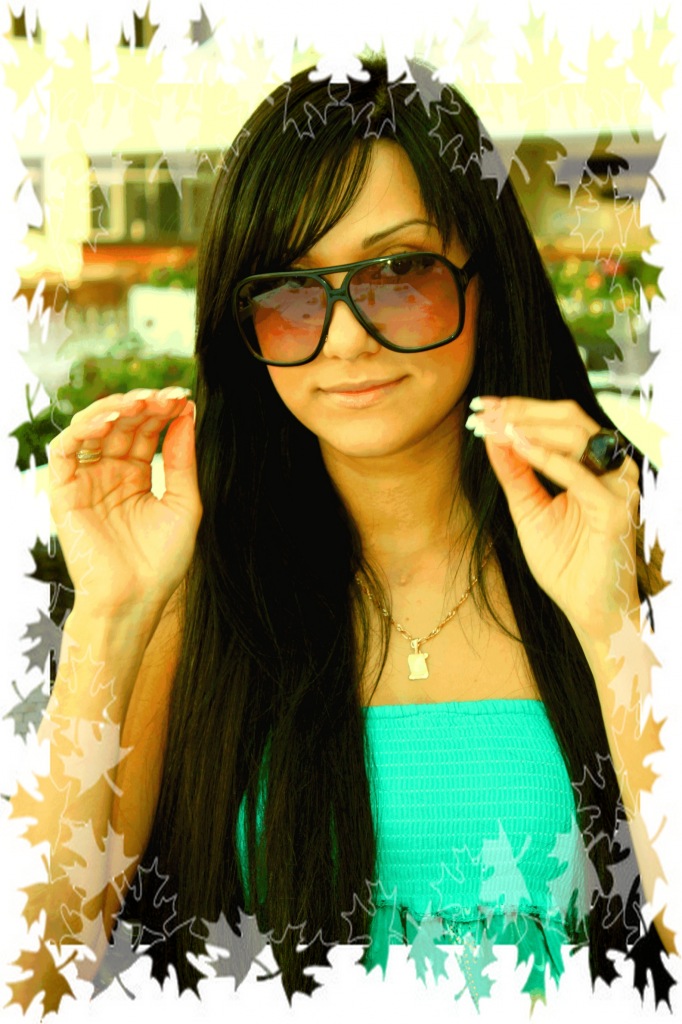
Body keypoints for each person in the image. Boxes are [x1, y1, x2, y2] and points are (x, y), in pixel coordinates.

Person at [11, 57, 672, 1007]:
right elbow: (34, 974)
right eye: (291, 292)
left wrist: (613, 629)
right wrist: (109, 615)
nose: (347, 336)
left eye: (399, 274)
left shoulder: (627, 548)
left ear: (487, 278)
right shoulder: (194, 590)